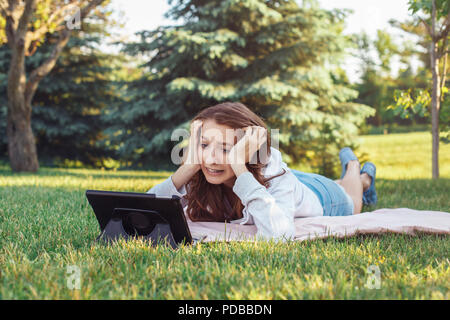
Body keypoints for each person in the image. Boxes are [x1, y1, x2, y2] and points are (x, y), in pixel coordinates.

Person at [147, 102, 377, 241]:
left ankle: (357, 170)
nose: (210, 158)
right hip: (285, 181)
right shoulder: (203, 168)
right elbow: (144, 210)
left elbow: (278, 236)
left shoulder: (273, 174)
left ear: (247, 150)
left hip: (322, 196)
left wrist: (238, 164)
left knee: (352, 199)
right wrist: (188, 167)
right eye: (205, 145)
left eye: (226, 148)